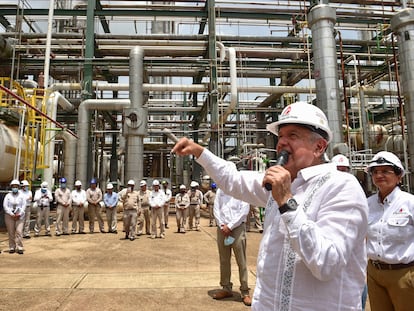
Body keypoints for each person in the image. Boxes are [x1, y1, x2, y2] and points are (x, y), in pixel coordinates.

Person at [172, 101, 368, 310]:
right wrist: (200, 152)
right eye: (280, 136)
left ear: (319, 147)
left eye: (292, 136)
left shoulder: (341, 187)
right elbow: (233, 180)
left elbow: (327, 262)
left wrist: (286, 201)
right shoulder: (279, 182)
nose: (281, 143)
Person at [366, 151, 414, 311]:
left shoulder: (410, 203)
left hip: (404, 274)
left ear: (399, 176)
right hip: (374, 273)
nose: (379, 175)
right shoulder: (367, 204)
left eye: (386, 171)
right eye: (375, 172)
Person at [213, 188, 252, 306]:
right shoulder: (221, 190)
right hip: (222, 229)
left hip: (237, 228)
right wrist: (221, 225)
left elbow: (244, 211)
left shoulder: (242, 190)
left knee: (241, 260)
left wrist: (230, 226)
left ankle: (245, 291)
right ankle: (226, 288)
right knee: (224, 260)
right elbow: (216, 208)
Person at [3, 179, 26, 254]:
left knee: (19, 231)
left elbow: (24, 206)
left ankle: (20, 247)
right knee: (11, 232)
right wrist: (12, 214)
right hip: (10, 216)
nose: (14, 188)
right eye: (13, 186)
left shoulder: (22, 196)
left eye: (16, 186)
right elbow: (5, 206)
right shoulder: (8, 196)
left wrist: (19, 214)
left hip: (20, 216)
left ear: (18, 187)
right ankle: (12, 246)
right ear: (11, 187)